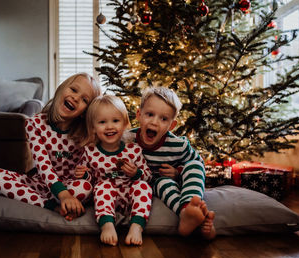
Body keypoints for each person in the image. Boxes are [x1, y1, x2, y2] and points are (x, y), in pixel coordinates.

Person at [0, 73, 101, 221]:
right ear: (61, 88)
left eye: (84, 99)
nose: (76, 98)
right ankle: (52, 205)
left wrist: (85, 175)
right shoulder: (35, 124)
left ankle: (65, 202)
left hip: (71, 186)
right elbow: (43, 165)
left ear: (85, 112)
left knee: (84, 187)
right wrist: (63, 196)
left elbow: (92, 168)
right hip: (41, 184)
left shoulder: (85, 132)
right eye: (73, 90)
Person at [129, 87, 216, 239]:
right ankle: (189, 216)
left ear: (172, 125)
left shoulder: (178, 145)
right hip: (149, 185)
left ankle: (190, 208)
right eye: (150, 114)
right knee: (162, 183)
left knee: (193, 166)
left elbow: (197, 163)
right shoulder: (127, 140)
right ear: (139, 115)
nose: (155, 122)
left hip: (173, 181)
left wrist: (178, 172)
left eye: (163, 119)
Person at [75, 95, 152, 246]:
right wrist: (84, 174)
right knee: (103, 186)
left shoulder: (133, 150)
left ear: (124, 124)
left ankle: (136, 227)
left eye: (115, 121)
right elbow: (89, 180)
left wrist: (136, 173)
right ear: (93, 128)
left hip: (130, 196)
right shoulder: (90, 152)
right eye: (102, 122)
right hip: (106, 199)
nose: (110, 126)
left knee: (143, 187)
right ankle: (107, 225)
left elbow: (148, 176)